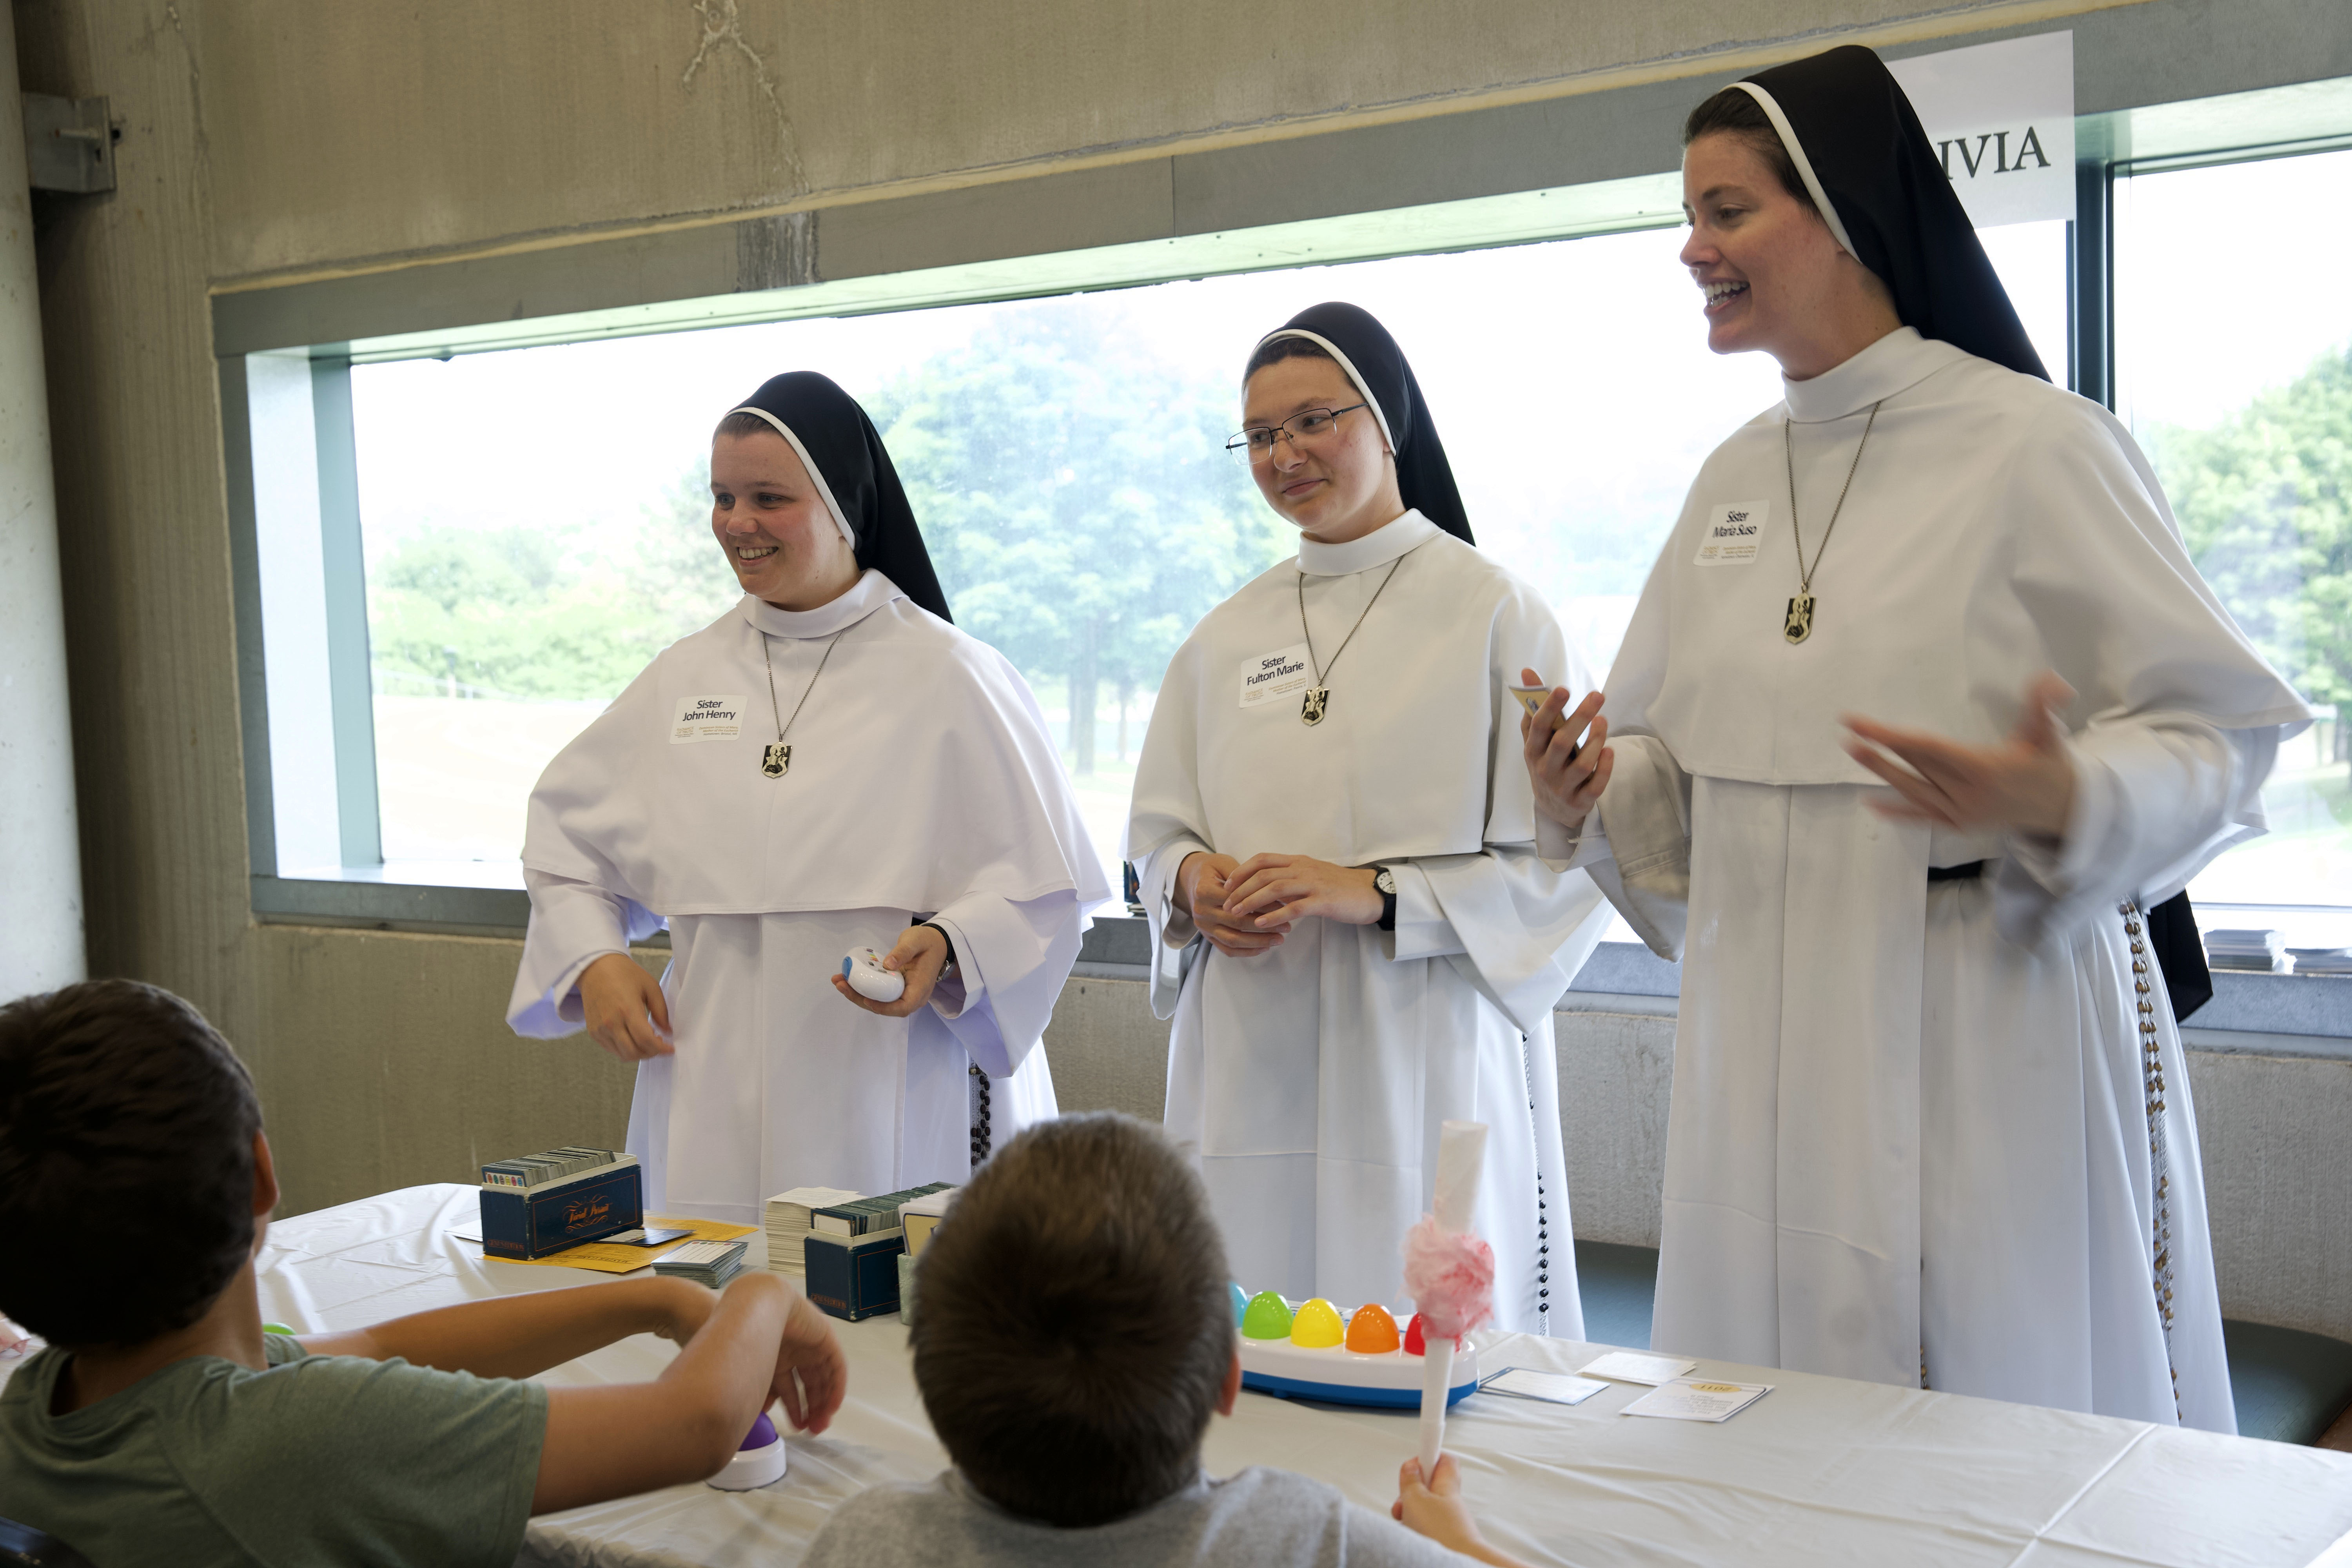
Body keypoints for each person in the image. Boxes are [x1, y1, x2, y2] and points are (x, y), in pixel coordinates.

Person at [1521, 46, 2312, 1430]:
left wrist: (2069, 792)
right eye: (1691, 215)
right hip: (1761, 1022)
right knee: (1763, 1414)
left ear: (1842, 212)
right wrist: (1592, 786)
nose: (1690, 248)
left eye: (1725, 211)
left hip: (1972, 1007)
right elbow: (1674, 778)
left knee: (1987, 1414)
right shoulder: (1729, 483)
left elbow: (2224, 728)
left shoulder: (2035, 446)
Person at [508, 372, 1110, 1221]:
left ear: (841, 506)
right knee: (719, 1308)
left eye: (768, 497)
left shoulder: (952, 675)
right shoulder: (685, 678)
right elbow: (565, 846)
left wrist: (949, 944)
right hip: (710, 1075)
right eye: (722, 496)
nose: (737, 522)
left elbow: (1045, 891)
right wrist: (597, 958)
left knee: (883, 1324)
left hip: (887, 1070)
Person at [1126, 303, 1611, 1334]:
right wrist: (1194, 884)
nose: (1284, 454)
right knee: (1253, 1333)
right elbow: (1155, 839)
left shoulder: (1494, 612)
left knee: (1413, 1345)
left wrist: (1380, 895)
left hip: (1418, 1040)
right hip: (1251, 1044)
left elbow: (1566, 869)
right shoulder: (1222, 638)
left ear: (1387, 420)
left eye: (1313, 421)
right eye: (1259, 435)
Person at [0, 978, 848, 1566]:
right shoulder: (298, 1442)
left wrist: (653, 1297)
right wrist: (763, 1293)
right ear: (262, 1173)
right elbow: (691, 1422)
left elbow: (367, 1345)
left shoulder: (36, 1412)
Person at [803, 1111, 1534, 1568]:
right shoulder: (1312, 1542)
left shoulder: (865, 1544)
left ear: (927, 1385)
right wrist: (1462, 1547)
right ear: (1228, 1377)